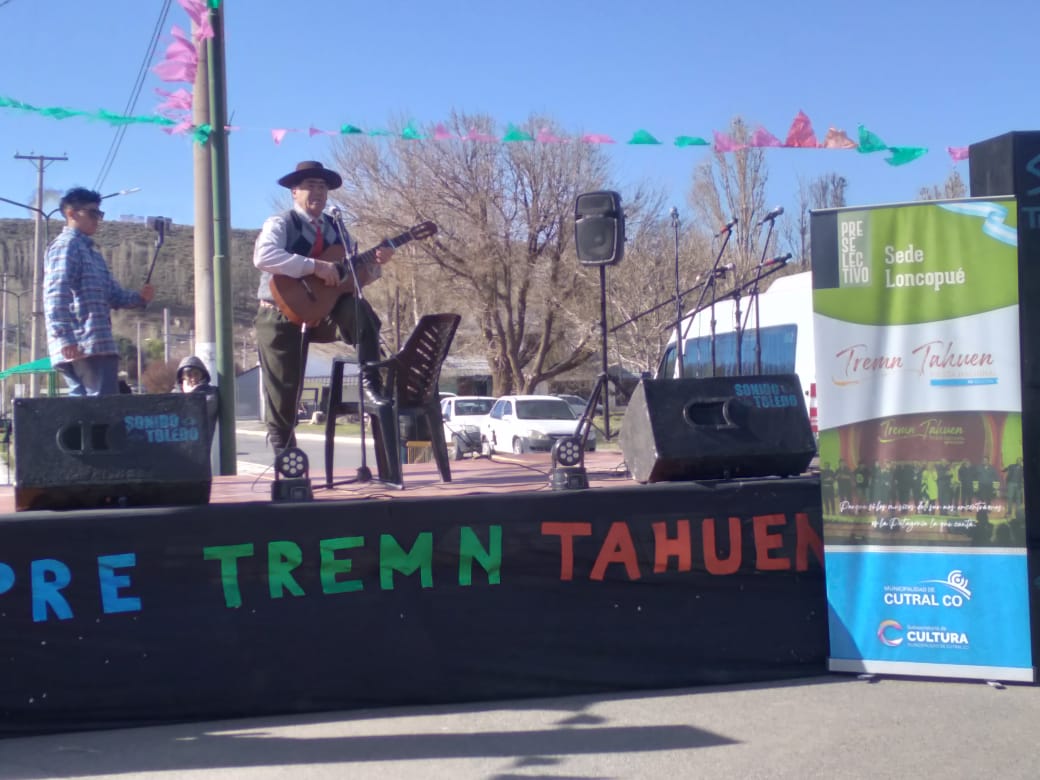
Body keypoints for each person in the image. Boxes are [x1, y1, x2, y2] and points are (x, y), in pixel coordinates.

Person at [253, 161, 393, 453]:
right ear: (294, 191)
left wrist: (376, 265)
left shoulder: (338, 229)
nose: (317, 192)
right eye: (309, 186)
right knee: (284, 386)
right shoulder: (281, 223)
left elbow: (350, 279)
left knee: (360, 312)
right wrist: (313, 267)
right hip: (279, 311)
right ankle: (284, 447)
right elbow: (264, 257)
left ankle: (370, 380)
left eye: (322, 187)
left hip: (323, 312)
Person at [44, 187, 155, 396]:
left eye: (100, 214)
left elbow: (114, 295)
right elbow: (56, 295)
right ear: (71, 213)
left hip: (93, 344)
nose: (98, 219)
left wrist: (140, 298)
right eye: (92, 213)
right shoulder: (66, 246)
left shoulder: (92, 255)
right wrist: (65, 338)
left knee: (87, 413)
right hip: (84, 344)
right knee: (99, 413)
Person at [175, 355, 219, 441]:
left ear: (202, 375)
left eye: (196, 374)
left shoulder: (210, 393)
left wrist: (191, 393)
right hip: (180, 443)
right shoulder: (175, 393)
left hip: (200, 443)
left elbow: (206, 408)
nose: (193, 378)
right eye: (189, 375)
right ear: (182, 376)